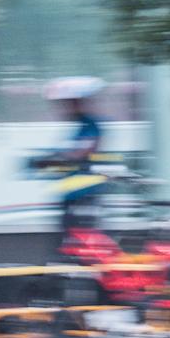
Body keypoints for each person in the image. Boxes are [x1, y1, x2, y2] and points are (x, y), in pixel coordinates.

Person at [33, 76, 108, 238]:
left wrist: (60, 159)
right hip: (71, 192)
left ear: (79, 103)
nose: (65, 108)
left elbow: (83, 152)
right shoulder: (80, 126)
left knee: (81, 240)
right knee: (69, 238)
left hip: (84, 194)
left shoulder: (91, 125)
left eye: (70, 103)